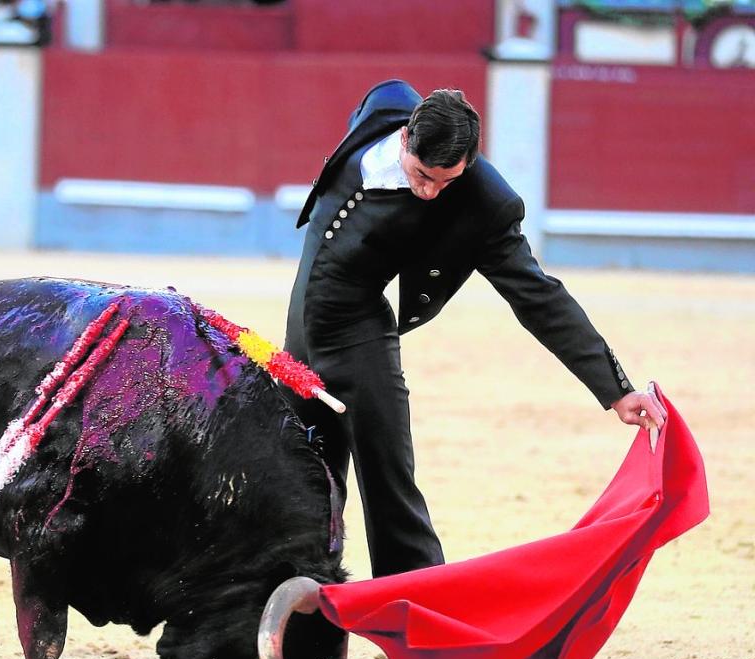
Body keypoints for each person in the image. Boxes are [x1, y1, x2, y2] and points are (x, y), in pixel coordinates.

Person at [284, 79, 666, 579]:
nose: (431, 191)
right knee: (301, 483)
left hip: (360, 341)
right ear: (405, 138)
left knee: (390, 490)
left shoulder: (485, 202)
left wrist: (616, 389)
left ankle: (426, 635)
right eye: (423, 176)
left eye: (446, 181)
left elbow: (539, 296)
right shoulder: (384, 105)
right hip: (298, 336)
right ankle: (301, 634)